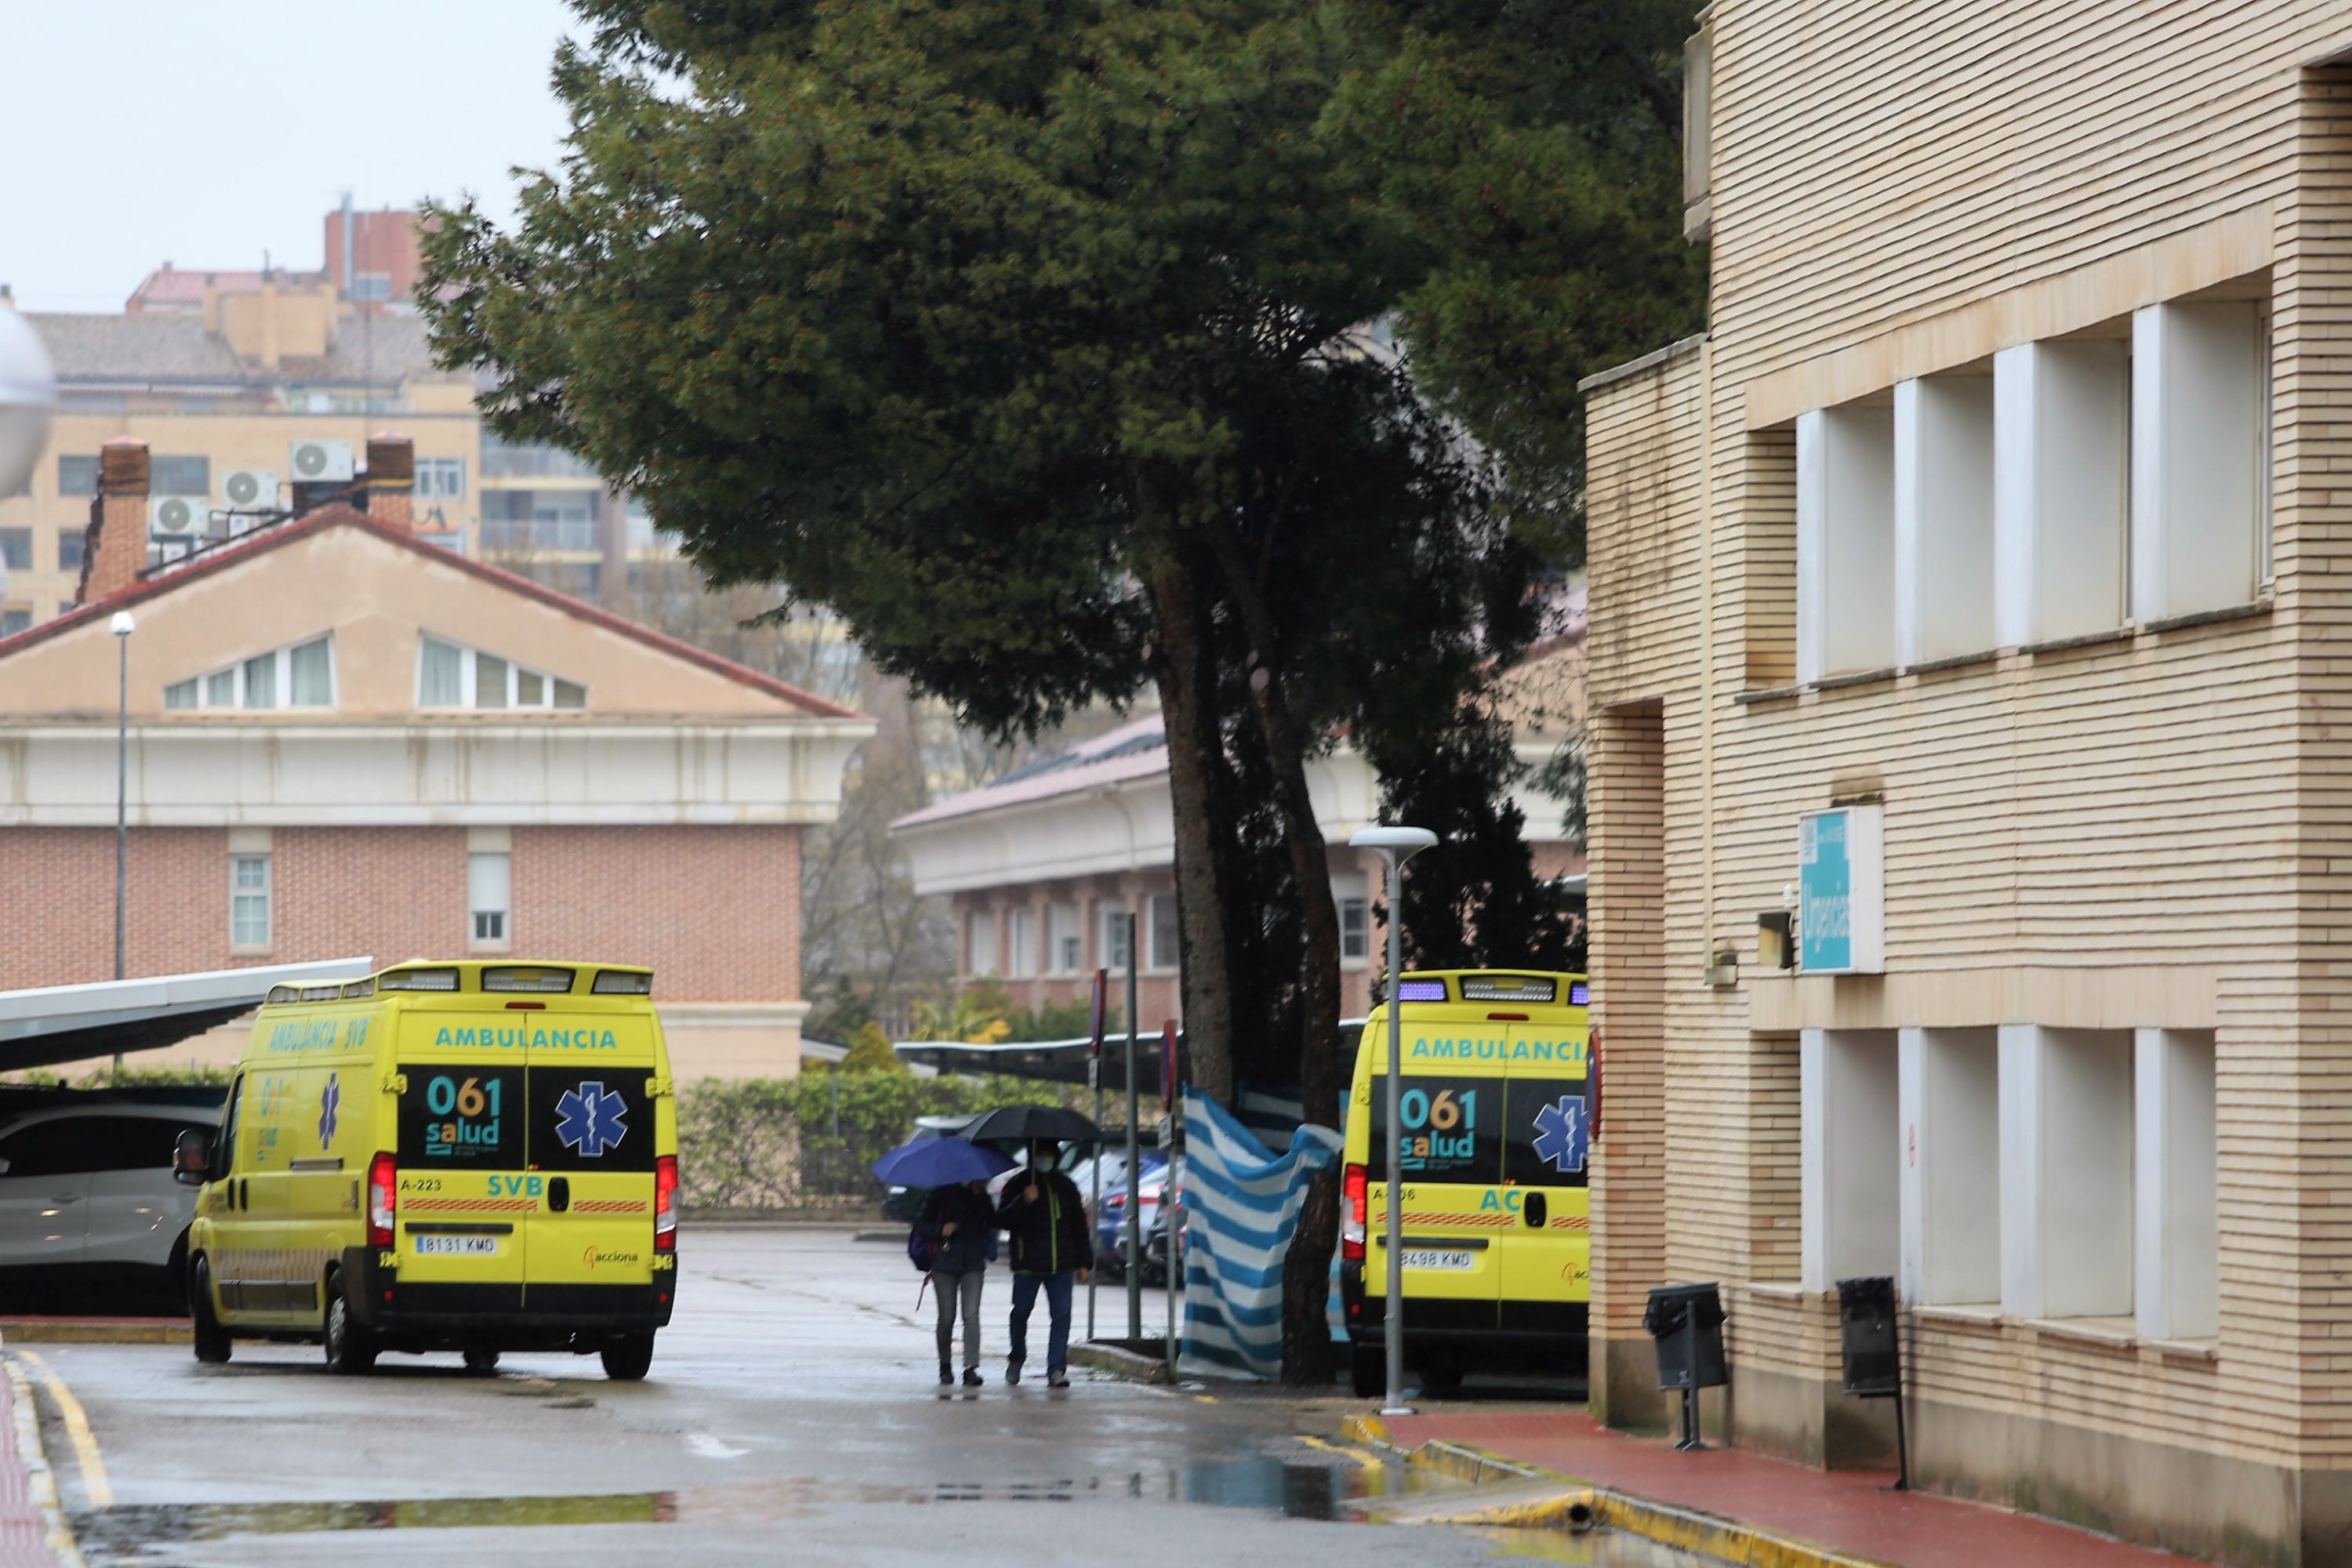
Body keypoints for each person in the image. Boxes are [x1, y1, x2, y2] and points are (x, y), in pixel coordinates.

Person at [996, 1139, 1093, 1388]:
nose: (1045, 1160)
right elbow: (1003, 1220)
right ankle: (1016, 1358)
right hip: (1028, 1265)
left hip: (1061, 1266)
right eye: (1041, 1155)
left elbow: (1079, 1227)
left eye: (1050, 1155)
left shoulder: (1066, 1187)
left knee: (1061, 1317)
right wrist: (1024, 1202)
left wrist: (1084, 1262)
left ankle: (1056, 1369)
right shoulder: (1017, 1185)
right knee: (1020, 1314)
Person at [919, 1178, 995, 1387]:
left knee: (971, 1316)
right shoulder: (940, 1192)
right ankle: (945, 1366)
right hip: (944, 1263)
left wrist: (979, 1197)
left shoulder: (980, 1194)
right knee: (946, 1317)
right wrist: (941, 1229)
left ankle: (971, 1368)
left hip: (973, 1263)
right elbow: (921, 1223)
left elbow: (992, 1221)